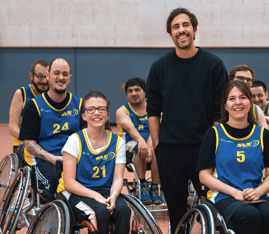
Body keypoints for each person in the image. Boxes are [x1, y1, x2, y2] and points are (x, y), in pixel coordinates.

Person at [146, 7, 228, 232]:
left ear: (194, 30)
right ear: (170, 34)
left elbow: (219, 111)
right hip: (169, 150)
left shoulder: (214, 64)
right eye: (175, 27)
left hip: (204, 149)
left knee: (212, 208)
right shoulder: (159, 68)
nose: (181, 30)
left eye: (185, 25)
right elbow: (152, 109)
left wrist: (212, 146)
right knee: (177, 214)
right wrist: (157, 145)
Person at [197, 80, 269, 234]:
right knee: (248, 215)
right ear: (225, 106)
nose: (237, 102)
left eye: (243, 97)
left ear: (250, 103)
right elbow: (204, 176)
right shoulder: (214, 134)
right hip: (224, 196)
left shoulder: (263, 135)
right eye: (232, 99)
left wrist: (258, 191)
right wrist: (234, 192)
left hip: (257, 194)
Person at [61, 91, 130, 233]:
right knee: (100, 213)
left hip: (108, 193)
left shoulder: (118, 142)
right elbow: (69, 182)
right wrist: (95, 195)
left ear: (108, 115)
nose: (97, 113)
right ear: (84, 116)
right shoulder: (75, 140)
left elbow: (118, 178)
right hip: (81, 195)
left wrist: (114, 196)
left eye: (101, 109)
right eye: (91, 109)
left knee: (124, 210)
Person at [19, 58, 83, 202]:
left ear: (70, 78)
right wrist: (53, 159)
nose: (61, 77)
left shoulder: (79, 104)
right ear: (48, 76)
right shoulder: (34, 106)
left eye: (65, 74)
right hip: (45, 158)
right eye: (56, 73)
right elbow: (29, 143)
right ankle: (50, 216)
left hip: (73, 156)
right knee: (55, 181)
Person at [116, 77, 161, 205]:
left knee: (159, 148)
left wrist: (149, 147)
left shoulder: (154, 109)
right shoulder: (122, 111)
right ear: (126, 95)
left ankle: (154, 187)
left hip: (151, 142)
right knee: (137, 147)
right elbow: (130, 129)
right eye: (130, 91)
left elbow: (155, 131)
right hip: (131, 145)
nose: (134, 93)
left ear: (144, 92)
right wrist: (142, 143)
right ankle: (143, 186)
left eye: (137, 90)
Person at [8, 60, 49, 154]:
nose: (43, 81)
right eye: (39, 76)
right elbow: (12, 128)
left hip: (47, 144)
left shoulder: (53, 95)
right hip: (23, 145)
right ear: (31, 76)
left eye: (46, 76)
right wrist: (32, 141)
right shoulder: (21, 94)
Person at [228, 64, 268, 129]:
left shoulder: (256, 110)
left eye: (248, 79)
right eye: (240, 78)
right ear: (231, 80)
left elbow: (265, 135)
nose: (245, 81)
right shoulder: (220, 103)